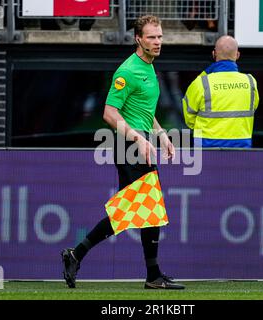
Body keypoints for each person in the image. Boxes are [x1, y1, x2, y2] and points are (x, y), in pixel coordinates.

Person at [61, 15, 185, 290]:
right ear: (138, 39)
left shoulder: (150, 67)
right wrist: (137, 139)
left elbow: (144, 111)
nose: (158, 42)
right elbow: (108, 113)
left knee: (137, 210)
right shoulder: (127, 71)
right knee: (146, 209)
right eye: (152, 37)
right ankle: (151, 276)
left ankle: (77, 255)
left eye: (160, 36)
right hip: (128, 147)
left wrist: (162, 134)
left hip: (140, 145)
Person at [183, 35, 260, 148]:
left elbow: (189, 117)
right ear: (237, 55)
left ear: (214, 54)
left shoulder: (201, 83)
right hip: (242, 147)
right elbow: (253, 107)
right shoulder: (250, 81)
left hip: (206, 147)